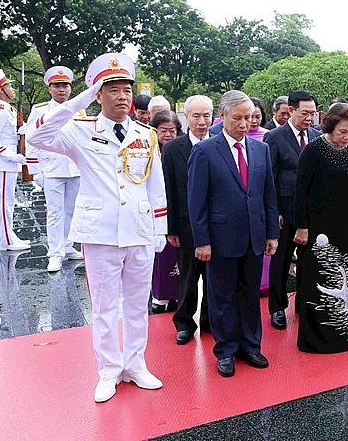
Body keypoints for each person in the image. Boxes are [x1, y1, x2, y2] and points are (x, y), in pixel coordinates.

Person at [28, 53, 167, 403]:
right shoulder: (80, 131)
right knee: (104, 306)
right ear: (98, 95)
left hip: (137, 229)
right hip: (100, 232)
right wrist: (79, 99)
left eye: (127, 90)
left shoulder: (145, 134)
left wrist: (159, 227)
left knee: (137, 305)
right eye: (113, 90)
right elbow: (39, 136)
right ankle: (108, 370)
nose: (123, 97)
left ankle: (135, 365)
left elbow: (155, 184)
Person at [187, 90, 279, 377]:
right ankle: (225, 349)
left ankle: (251, 346)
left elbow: (268, 194)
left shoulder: (260, 148)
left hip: (254, 234)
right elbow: (196, 201)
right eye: (237, 118)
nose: (243, 123)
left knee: (250, 294)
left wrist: (272, 234)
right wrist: (201, 241)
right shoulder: (205, 150)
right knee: (222, 296)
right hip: (220, 237)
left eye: (248, 118)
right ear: (223, 116)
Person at [293, 103, 348, 353]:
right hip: (318, 226)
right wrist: (301, 227)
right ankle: (317, 337)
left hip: (345, 224)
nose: (347, 137)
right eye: (342, 132)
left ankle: (344, 332)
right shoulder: (313, 150)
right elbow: (300, 192)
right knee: (319, 277)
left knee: (346, 276)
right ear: (330, 127)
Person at [264, 90, 321, 330]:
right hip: (284, 211)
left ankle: (303, 303)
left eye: (313, 114)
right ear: (291, 111)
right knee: (281, 261)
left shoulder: (318, 137)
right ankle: (277, 308)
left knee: (309, 261)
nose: (309, 118)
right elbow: (269, 178)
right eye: (305, 113)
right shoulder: (275, 138)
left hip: (312, 212)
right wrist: (273, 211)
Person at [162, 95, 213, 345]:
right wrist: (170, 228)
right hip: (186, 224)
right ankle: (183, 322)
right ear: (186, 117)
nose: (202, 122)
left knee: (215, 278)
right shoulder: (173, 149)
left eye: (206, 116)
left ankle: (209, 321)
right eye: (196, 116)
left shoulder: (220, 144)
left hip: (217, 223)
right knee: (188, 277)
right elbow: (169, 191)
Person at [25, 66, 82, 271]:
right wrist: (35, 170)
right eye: (57, 86)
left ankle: (67, 246)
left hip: (74, 168)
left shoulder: (78, 110)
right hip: (51, 167)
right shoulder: (40, 110)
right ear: (50, 88)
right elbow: (31, 141)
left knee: (71, 211)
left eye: (65, 85)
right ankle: (55, 253)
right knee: (55, 212)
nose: (62, 90)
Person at [0, 71, 30, 252]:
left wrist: (20, 133)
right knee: (4, 203)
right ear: (1, 91)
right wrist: (11, 156)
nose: (12, 89)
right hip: (3, 163)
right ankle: (5, 241)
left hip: (9, 163)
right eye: (9, 87)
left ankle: (9, 235)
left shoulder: (9, 110)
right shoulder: (0, 112)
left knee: (9, 202)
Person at [148, 111, 183, 314]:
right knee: (160, 255)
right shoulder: (149, 149)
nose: (168, 135)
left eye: (172, 131)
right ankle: (160, 296)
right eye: (163, 131)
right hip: (156, 210)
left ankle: (178, 295)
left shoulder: (181, 149)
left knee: (179, 255)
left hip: (176, 208)